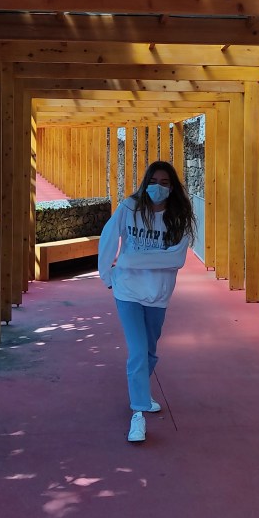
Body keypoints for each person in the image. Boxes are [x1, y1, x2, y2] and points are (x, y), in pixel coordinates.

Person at [97, 160, 196, 443]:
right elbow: (108, 238)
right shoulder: (130, 208)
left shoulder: (179, 217)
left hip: (157, 294)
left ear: (172, 187)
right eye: (153, 182)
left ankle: (138, 389)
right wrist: (108, 275)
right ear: (145, 183)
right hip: (127, 291)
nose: (158, 188)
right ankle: (138, 414)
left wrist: (129, 260)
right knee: (139, 352)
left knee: (150, 352)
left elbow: (176, 259)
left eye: (164, 183)